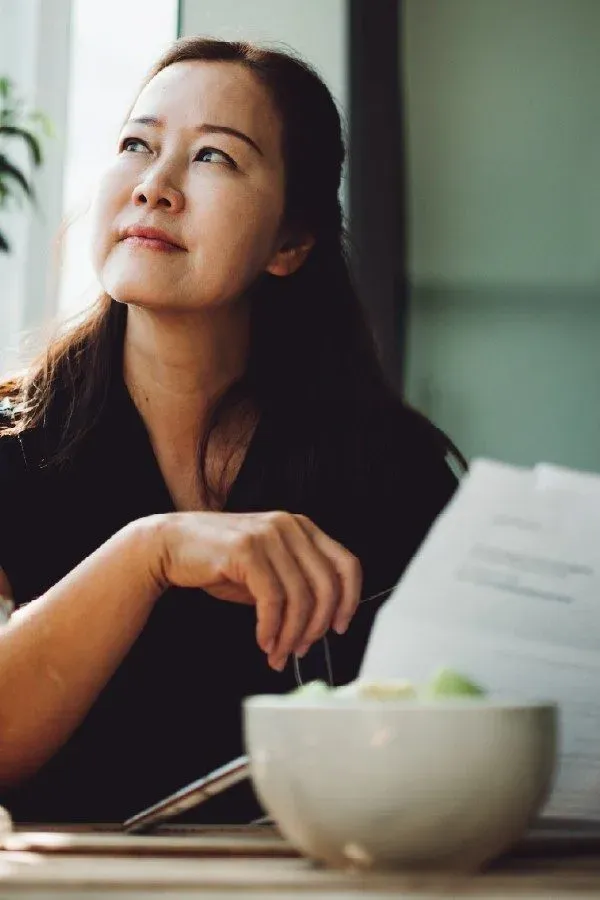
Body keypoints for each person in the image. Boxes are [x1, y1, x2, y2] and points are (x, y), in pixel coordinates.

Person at [0, 37, 463, 826]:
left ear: (291, 242)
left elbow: (455, 750)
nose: (154, 185)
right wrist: (151, 552)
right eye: (136, 144)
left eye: (213, 156)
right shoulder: (13, 449)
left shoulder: (394, 468)